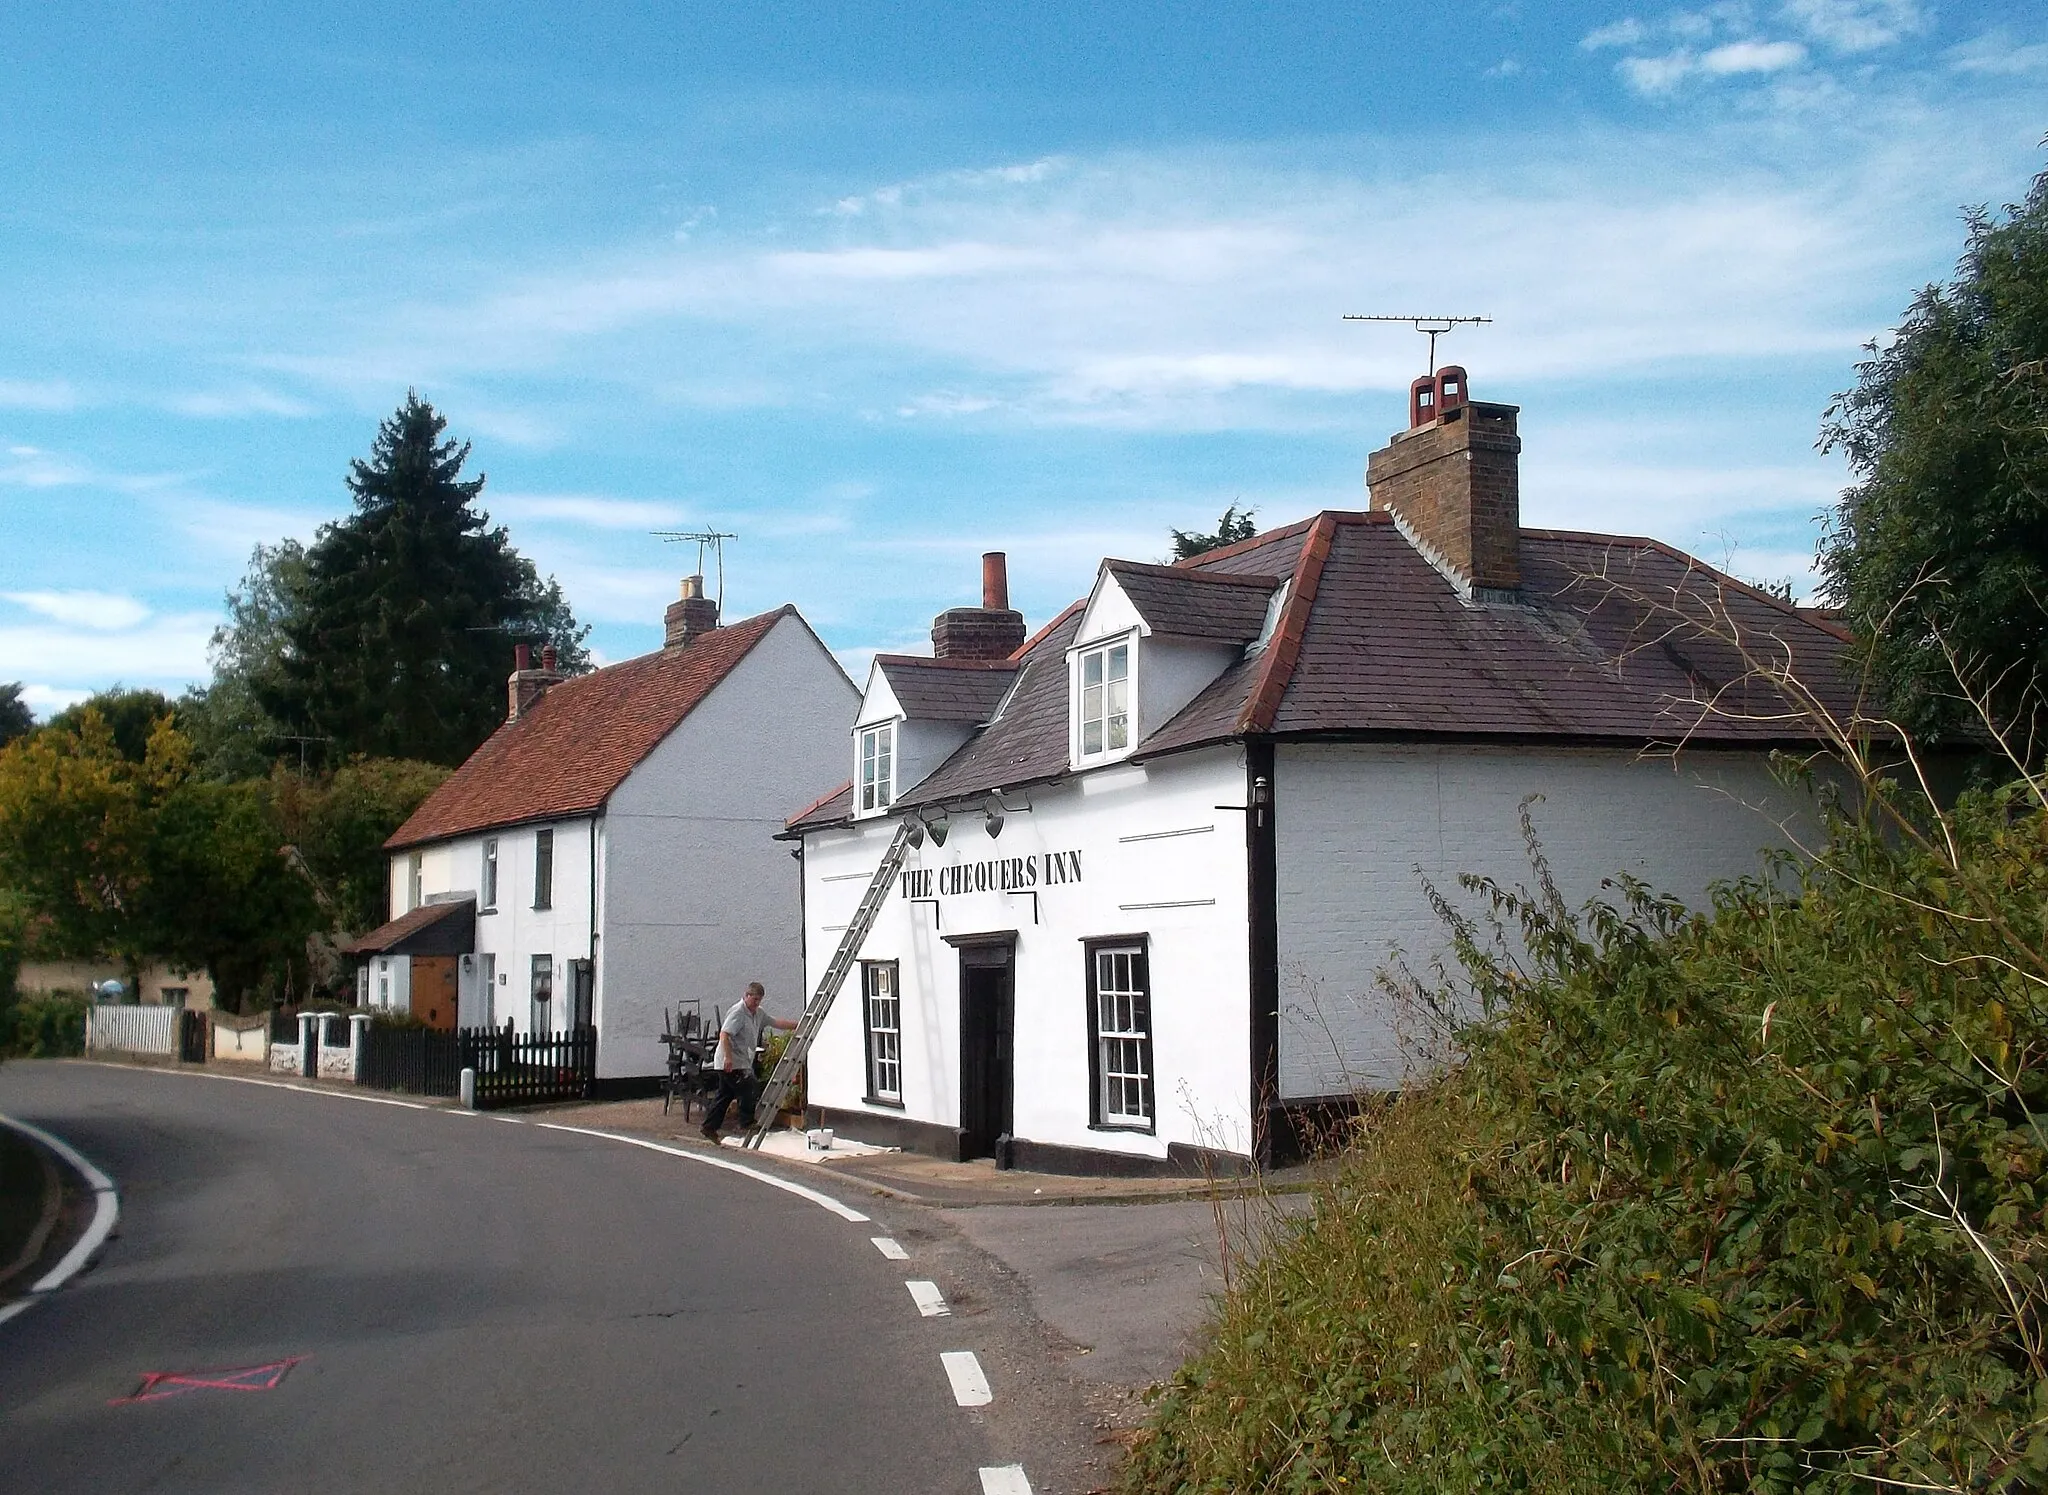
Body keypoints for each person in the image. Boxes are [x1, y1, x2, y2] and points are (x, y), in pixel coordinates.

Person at [700, 981, 797, 1141]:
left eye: (759, 1000)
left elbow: (775, 1022)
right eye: (754, 1000)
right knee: (749, 1085)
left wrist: (796, 1025)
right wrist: (728, 1058)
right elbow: (724, 1035)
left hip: (741, 1060)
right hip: (731, 1061)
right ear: (746, 996)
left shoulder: (758, 1013)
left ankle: (709, 1127)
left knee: (724, 1095)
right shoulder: (738, 1012)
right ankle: (746, 1122)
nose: (756, 1003)